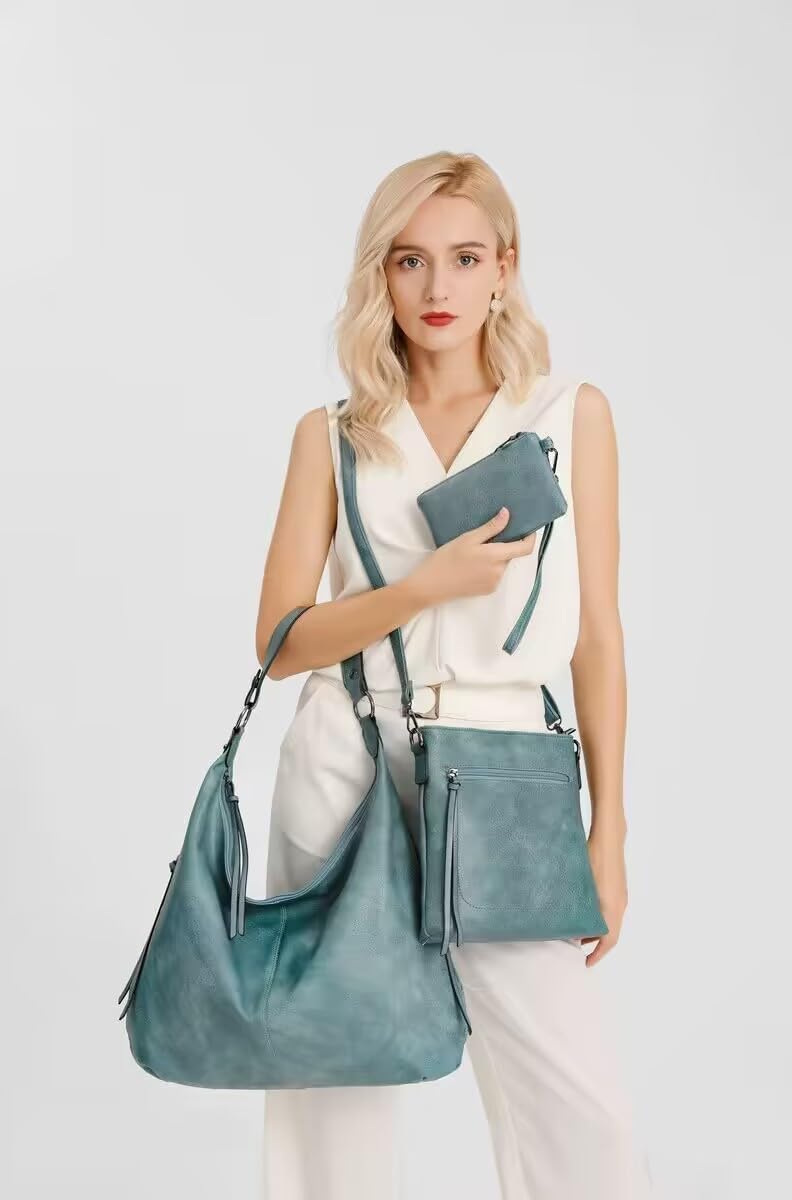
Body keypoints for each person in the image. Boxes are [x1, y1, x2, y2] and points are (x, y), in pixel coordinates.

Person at [254, 151, 653, 1199]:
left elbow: (597, 637)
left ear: (504, 269)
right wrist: (421, 587)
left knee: (581, 1117)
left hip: (504, 769)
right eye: (409, 261)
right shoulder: (333, 437)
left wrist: (608, 832)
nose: (438, 287)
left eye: (465, 258)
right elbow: (281, 641)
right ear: (379, 276)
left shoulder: (565, 415)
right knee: (333, 1100)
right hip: (344, 763)